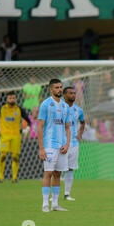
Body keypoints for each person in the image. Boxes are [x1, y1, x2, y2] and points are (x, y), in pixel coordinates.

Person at [38, 79, 71, 212]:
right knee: (49, 173)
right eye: (56, 87)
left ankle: (55, 204)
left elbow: (67, 127)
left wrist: (68, 143)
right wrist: (41, 147)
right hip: (49, 145)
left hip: (62, 145)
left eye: (60, 87)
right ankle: (45, 204)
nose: (59, 89)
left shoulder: (65, 106)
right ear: (51, 89)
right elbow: (40, 126)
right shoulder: (45, 104)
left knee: (58, 174)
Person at [0, 91, 31, 183]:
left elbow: (29, 121)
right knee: (3, 155)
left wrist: (26, 129)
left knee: (15, 156)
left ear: (16, 99)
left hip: (16, 136)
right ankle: (0, 178)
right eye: (10, 98)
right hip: (4, 136)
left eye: (13, 98)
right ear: (7, 99)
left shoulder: (20, 109)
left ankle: (14, 178)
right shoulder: (1, 108)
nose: (12, 99)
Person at [62, 87, 85, 201]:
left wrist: (80, 134)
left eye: (74, 93)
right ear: (64, 95)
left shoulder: (78, 110)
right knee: (55, 170)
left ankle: (67, 194)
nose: (73, 95)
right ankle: (53, 194)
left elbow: (83, 122)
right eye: (70, 93)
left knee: (70, 169)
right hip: (60, 142)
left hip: (74, 143)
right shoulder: (59, 108)